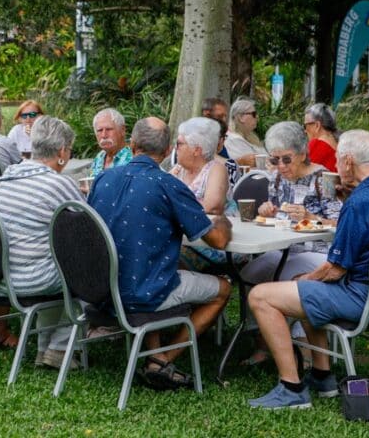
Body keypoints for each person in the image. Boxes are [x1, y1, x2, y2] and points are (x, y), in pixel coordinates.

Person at [245, 129, 369, 409]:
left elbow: (334, 271)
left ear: (348, 161)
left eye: (337, 160)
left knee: (261, 296)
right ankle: (322, 376)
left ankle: (291, 388)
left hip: (364, 300)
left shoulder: (360, 203)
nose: (334, 167)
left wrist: (304, 280)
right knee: (308, 287)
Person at [88, 117, 232, 390]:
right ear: (168, 152)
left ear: (131, 144)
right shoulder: (169, 184)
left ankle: (155, 355)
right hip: (142, 292)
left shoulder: (102, 180)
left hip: (100, 289)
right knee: (224, 288)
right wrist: (222, 219)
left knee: (157, 266)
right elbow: (219, 241)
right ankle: (163, 360)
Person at [239, 121, 341, 366]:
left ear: (303, 154)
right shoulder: (277, 178)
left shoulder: (323, 178)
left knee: (285, 278)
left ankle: (304, 351)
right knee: (247, 274)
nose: (280, 167)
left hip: (317, 250)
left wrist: (311, 218)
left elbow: (340, 222)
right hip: (284, 248)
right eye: (274, 160)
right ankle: (263, 342)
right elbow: (277, 214)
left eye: (286, 159)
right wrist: (268, 210)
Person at [0, 116, 86, 369]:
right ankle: (59, 346)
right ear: (62, 152)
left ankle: (46, 348)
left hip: (3, 275)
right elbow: (88, 227)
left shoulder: (8, 178)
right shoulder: (57, 184)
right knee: (88, 269)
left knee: (54, 260)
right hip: (32, 279)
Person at [171, 117, 232, 271]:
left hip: (211, 242)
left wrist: (175, 209)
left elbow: (212, 207)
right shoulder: (178, 170)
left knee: (169, 257)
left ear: (196, 150)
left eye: (179, 144)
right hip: (185, 238)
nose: (175, 148)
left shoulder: (216, 169)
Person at [90, 107, 132, 176]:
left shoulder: (133, 158)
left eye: (109, 129)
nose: (104, 135)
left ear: (122, 130)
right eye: (100, 130)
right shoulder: (99, 157)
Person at [225, 98, 265, 167]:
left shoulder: (250, 136)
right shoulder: (233, 139)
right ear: (241, 117)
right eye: (254, 114)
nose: (257, 117)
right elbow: (254, 164)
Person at [303, 103, 339, 173]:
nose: (305, 131)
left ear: (317, 125)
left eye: (305, 126)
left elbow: (302, 174)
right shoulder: (339, 143)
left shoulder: (316, 145)